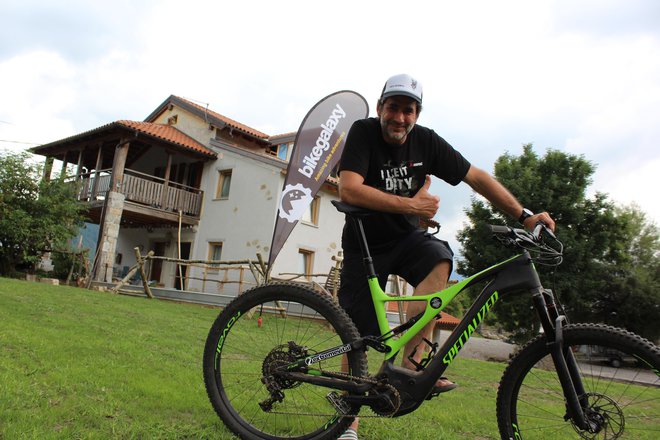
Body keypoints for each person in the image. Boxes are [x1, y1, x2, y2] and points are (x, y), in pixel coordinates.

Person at [336, 73, 555, 439]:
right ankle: (348, 425)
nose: (400, 118)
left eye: (409, 110)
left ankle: (412, 364)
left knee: (440, 258)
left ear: (417, 115)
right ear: (380, 109)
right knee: (355, 336)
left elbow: (476, 176)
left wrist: (524, 215)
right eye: (393, 108)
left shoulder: (426, 143)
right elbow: (349, 187)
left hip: (406, 239)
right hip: (364, 243)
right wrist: (412, 204)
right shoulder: (363, 132)